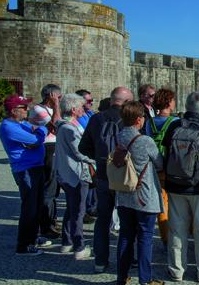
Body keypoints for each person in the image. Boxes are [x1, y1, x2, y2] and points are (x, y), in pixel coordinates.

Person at [163, 91, 199, 282]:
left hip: (175, 185)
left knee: (176, 229)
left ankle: (176, 271)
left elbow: (167, 152)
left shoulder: (174, 125)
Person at [79, 86, 134, 273]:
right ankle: (126, 260)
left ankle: (100, 261)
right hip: (125, 177)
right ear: (126, 102)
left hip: (103, 175)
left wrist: (101, 158)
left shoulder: (96, 118)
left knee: (102, 220)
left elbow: (83, 147)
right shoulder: (130, 119)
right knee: (127, 220)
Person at [115, 101, 165, 285]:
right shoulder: (144, 141)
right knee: (145, 237)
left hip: (123, 193)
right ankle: (145, 279)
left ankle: (122, 277)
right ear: (138, 120)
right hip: (143, 195)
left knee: (126, 236)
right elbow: (159, 163)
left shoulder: (118, 137)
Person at [0, 94, 51, 255]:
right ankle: (24, 244)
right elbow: (36, 140)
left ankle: (33, 236)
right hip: (26, 170)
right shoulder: (9, 127)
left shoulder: (21, 124)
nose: (27, 110)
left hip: (36, 166)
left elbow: (36, 135)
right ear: (14, 111)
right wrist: (41, 130)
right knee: (29, 207)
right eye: (24, 108)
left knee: (37, 205)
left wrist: (39, 131)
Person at [54, 93, 95, 260]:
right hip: (75, 174)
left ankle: (67, 242)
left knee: (71, 209)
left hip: (66, 173)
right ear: (73, 109)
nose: (83, 109)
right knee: (78, 210)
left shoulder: (62, 125)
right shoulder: (70, 129)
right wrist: (96, 160)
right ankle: (79, 247)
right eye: (80, 106)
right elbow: (80, 152)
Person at [145, 88, 179, 249]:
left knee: (161, 204)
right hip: (171, 167)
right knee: (176, 203)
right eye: (172, 99)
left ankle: (166, 238)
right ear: (168, 102)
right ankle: (178, 235)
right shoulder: (174, 122)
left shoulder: (148, 122)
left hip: (154, 166)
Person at [35, 84, 62, 240]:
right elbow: (56, 127)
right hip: (48, 149)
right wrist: (57, 106)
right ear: (50, 96)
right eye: (58, 97)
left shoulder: (51, 110)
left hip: (55, 148)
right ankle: (46, 226)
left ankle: (52, 220)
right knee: (49, 190)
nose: (60, 100)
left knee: (54, 188)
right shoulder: (39, 110)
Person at [76, 89, 98, 223]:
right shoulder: (78, 117)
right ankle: (84, 210)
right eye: (88, 101)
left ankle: (91, 207)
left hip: (92, 152)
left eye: (91, 100)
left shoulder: (90, 113)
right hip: (85, 153)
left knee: (93, 182)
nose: (90, 103)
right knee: (85, 183)